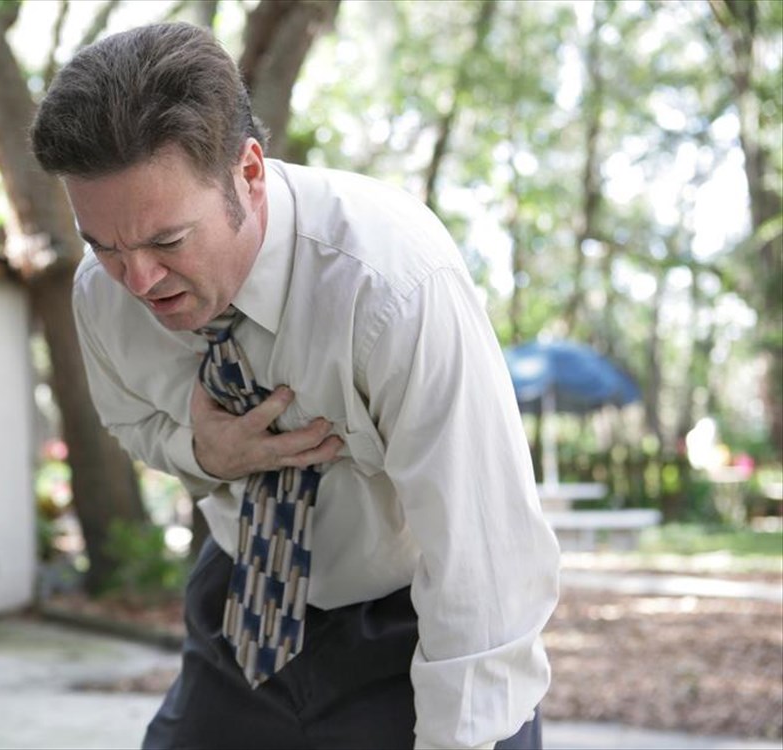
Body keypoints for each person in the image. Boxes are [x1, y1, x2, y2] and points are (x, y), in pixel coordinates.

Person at [30, 22, 560, 750]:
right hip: (242, 607)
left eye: (167, 241)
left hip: (416, 623)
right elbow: (130, 420)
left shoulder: (394, 284)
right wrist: (203, 452)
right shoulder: (102, 292)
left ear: (248, 173)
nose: (139, 280)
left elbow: (484, 559)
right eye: (106, 245)